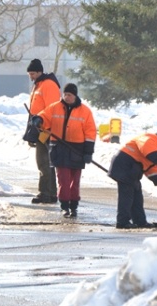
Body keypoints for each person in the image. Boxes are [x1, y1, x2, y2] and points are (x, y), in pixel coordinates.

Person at [34, 83, 96, 218]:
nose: (67, 97)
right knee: (63, 180)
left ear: (75, 96)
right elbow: (45, 116)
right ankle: (64, 206)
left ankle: (74, 206)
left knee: (75, 181)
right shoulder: (55, 107)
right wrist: (39, 119)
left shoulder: (85, 112)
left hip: (77, 150)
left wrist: (88, 152)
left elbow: (90, 132)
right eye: (65, 94)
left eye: (70, 95)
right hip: (59, 148)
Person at [107, 128, 157, 229]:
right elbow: (148, 149)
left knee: (137, 195)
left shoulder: (155, 146)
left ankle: (140, 221)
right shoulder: (151, 138)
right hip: (125, 165)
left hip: (132, 169)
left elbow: (149, 166)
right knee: (127, 195)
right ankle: (122, 222)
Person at [26, 58, 61, 204]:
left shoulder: (48, 85)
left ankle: (45, 193)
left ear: (40, 72)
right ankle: (50, 193)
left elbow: (52, 109)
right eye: (29, 74)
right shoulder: (39, 85)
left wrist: (45, 129)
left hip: (46, 129)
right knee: (44, 162)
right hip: (39, 128)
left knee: (44, 162)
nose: (31, 76)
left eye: (33, 74)